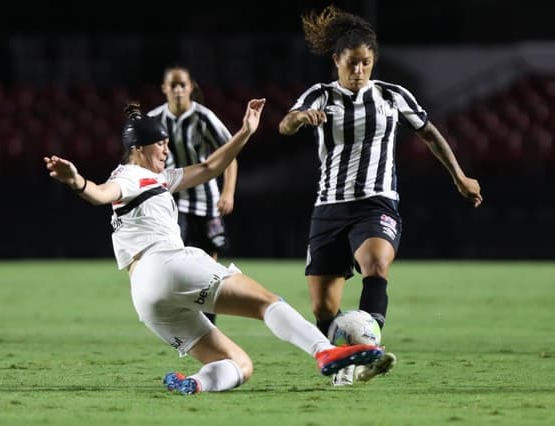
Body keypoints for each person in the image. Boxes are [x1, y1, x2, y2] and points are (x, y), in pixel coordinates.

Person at [44, 97, 385, 396]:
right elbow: (102, 194)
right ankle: (324, 351)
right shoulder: (130, 175)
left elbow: (209, 168)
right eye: (160, 144)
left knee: (240, 363)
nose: (166, 150)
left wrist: (245, 133)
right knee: (267, 303)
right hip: (168, 264)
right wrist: (77, 181)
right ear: (138, 148)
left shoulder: (157, 178)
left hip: (146, 297)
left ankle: (195, 382)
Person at [278, 5, 483, 386]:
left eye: (366, 63)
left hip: (377, 201)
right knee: (323, 306)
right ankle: (343, 365)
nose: (359, 71)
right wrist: (300, 118)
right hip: (329, 207)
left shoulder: (392, 96)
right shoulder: (320, 96)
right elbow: (284, 125)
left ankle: (369, 351)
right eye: (352, 63)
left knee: (376, 264)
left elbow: (429, 133)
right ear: (337, 60)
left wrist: (459, 175)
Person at [146, 65, 237, 326]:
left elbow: (229, 154)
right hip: (173, 202)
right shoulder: (154, 120)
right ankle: (188, 324)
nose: (177, 90)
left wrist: (228, 192)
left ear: (190, 88)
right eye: (172, 85)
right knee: (179, 265)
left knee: (209, 268)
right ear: (164, 88)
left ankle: (209, 325)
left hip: (207, 201)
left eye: (181, 85)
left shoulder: (204, 117)